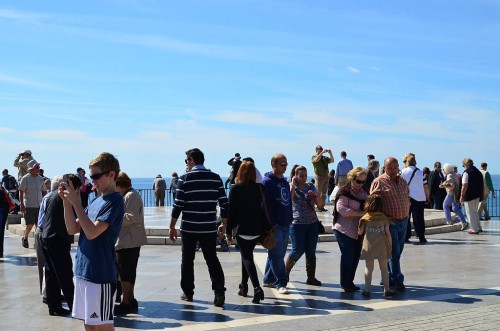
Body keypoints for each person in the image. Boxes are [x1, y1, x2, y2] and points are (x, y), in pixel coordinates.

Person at [59, 152, 125, 330]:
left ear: (111, 174)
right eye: (91, 176)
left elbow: (92, 232)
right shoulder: (97, 201)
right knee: (89, 325)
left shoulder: (115, 201)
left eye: (96, 176)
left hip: (100, 275)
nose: (92, 181)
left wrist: (77, 204)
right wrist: (67, 202)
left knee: (102, 326)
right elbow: (72, 229)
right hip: (83, 272)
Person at [169, 148, 228, 307]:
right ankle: (219, 291)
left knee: (187, 260)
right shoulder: (216, 179)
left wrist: (172, 226)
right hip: (208, 227)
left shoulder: (184, 179)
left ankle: (188, 292)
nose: (186, 164)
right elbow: (224, 203)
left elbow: (178, 205)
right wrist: (224, 224)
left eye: (186, 161)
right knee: (211, 259)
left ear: (192, 160)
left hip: (189, 227)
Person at [226, 161, 267, 304]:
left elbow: (231, 213)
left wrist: (228, 232)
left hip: (242, 229)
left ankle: (257, 288)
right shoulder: (260, 187)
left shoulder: (235, 189)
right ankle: (243, 286)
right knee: (246, 256)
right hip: (257, 229)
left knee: (247, 257)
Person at [42, 174, 82, 316]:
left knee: (51, 273)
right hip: (58, 238)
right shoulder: (67, 197)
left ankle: (54, 307)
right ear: (75, 187)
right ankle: (75, 307)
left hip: (47, 236)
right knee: (65, 273)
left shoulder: (52, 195)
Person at [370, 157, 410, 291]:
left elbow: (407, 197)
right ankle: (398, 280)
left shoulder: (403, 181)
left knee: (396, 252)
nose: (393, 170)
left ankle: (386, 277)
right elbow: (372, 203)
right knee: (394, 252)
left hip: (403, 221)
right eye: (389, 168)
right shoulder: (379, 181)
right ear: (384, 168)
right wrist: (383, 218)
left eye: (395, 167)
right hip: (389, 223)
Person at [114, 171, 148, 315]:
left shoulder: (130, 196)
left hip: (129, 239)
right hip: (128, 239)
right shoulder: (128, 195)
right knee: (127, 271)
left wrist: (113, 218)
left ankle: (126, 301)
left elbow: (131, 217)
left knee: (125, 271)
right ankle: (130, 299)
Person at [261, 153, 293, 295]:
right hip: (275, 225)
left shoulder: (285, 182)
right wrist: (271, 224)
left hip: (286, 223)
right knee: (276, 255)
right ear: (273, 164)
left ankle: (268, 279)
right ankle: (281, 283)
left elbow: (288, 202)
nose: (285, 167)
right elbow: (264, 205)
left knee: (277, 254)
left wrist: (290, 217)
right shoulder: (266, 182)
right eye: (282, 164)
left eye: (286, 164)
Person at [286, 165, 322, 286]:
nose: (304, 178)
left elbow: (320, 204)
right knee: (297, 251)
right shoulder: (292, 187)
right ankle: (285, 275)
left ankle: (311, 277)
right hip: (297, 224)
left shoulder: (311, 187)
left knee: (311, 251)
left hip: (312, 223)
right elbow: (289, 200)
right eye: (301, 175)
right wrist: (292, 183)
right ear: (295, 176)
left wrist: (315, 196)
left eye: (305, 175)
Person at [333, 166, 368, 292]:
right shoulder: (344, 191)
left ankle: (350, 282)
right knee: (348, 255)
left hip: (358, 231)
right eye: (358, 181)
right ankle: (345, 283)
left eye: (363, 181)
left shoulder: (365, 192)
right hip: (343, 229)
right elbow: (341, 209)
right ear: (351, 179)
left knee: (355, 256)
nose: (361, 184)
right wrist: (360, 213)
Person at [358, 194, 394, 298]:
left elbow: (360, 232)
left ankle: (367, 290)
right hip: (382, 246)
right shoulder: (383, 218)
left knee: (368, 268)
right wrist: (390, 246)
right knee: (384, 268)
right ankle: (386, 290)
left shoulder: (365, 218)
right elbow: (388, 234)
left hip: (369, 246)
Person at [401, 154, 430, 244]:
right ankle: (421, 236)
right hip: (420, 198)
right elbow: (426, 187)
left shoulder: (402, 172)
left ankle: (406, 236)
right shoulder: (421, 173)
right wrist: (427, 197)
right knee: (419, 218)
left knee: (406, 218)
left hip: (407, 198)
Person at [19, 159, 47, 248]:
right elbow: (21, 191)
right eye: (37, 167)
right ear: (31, 169)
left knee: (38, 225)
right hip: (29, 205)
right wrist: (21, 204)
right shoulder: (25, 178)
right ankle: (25, 238)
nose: (38, 169)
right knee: (30, 224)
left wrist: (45, 202)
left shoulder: (40, 179)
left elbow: (44, 191)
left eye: (39, 167)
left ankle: (37, 241)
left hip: (39, 205)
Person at [440, 163, 468, 231]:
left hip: (451, 194)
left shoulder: (449, 176)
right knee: (455, 208)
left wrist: (443, 186)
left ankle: (449, 221)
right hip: (456, 194)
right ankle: (464, 222)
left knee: (445, 205)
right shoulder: (454, 174)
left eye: (444, 169)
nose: (443, 171)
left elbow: (452, 186)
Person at [460, 158, 484, 234]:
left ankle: (474, 229)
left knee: (470, 213)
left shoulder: (466, 173)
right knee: (475, 212)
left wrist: (461, 195)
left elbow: (464, 185)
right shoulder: (478, 172)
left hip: (469, 196)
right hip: (477, 195)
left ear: (465, 164)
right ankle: (478, 227)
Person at [311, 145, 334, 212]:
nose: (321, 149)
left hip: (326, 176)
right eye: (319, 149)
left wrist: (330, 154)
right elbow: (316, 160)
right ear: (316, 150)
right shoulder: (314, 156)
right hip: (319, 176)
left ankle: (321, 206)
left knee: (324, 193)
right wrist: (321, 153)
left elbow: (332, 161)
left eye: (321, 149)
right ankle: (317, 206)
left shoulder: (325, 158)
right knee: (318, 192)